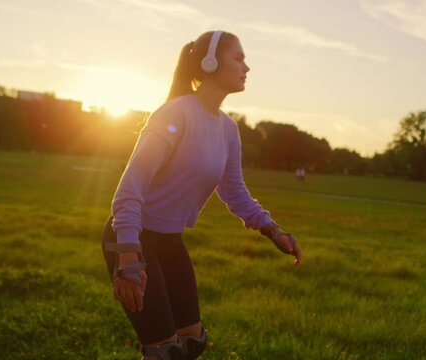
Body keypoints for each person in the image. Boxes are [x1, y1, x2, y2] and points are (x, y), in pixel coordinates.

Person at [101, 30, 303, 360]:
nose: (247, 67)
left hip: (169, 241)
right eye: (239, 58)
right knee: (164, 352)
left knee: (191, 345)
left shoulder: (227, 129)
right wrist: (126, 257)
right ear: (209, 63)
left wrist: (272, 229)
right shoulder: (174, 115)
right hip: (132, 239)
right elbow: (128, 191)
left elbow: (235, 191)